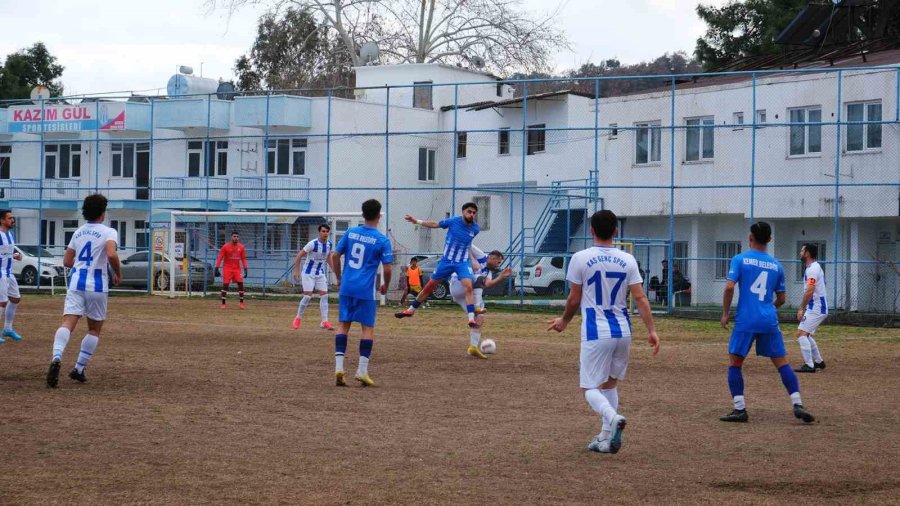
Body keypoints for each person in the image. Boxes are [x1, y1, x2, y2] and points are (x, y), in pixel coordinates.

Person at [548, 210, 661, 454]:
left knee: (589, 388)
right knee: (609, 385)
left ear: (591, 230)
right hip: (623, 331)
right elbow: (640, 298)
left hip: (596, 331)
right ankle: (605, 437)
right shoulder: (628, 259)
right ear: (615, 231)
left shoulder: (580, 258)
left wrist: (564, 321)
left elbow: (574, 298)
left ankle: (612, 417)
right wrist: (651, 330)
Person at [719, 221, 815, 424]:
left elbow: (729, 287)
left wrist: (725, 313)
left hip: (746, 319)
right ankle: (797, 403)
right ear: (770, 239)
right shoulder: (776, 265)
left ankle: (740, 409)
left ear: (750, 238)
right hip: (769, 319)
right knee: (782, 363)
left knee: (735, 363)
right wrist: (767, 309)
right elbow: (781, 299)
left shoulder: (739, 259)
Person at [46, 194, 121, 388]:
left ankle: (56, 357)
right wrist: (117, 272)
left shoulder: (78, 233)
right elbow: (111, 254)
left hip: (76, 283)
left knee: (67, 322)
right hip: (97, 286)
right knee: (94, 329)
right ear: (102, 212)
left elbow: (66, 261)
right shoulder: (109, 232)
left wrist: (81, 265)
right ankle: (78, 369)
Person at [329, 199, 393, 387]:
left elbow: (334, 255)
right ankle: (362, 371)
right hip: (365, 290)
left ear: (363, 214)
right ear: (379, 215)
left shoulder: (350, 232)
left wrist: (339, 277)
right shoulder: (382, 240)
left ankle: (339, 368)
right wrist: (386, 285)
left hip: (347, 286)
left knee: (343, 325)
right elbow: (387, 268)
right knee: (367, 328)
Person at [396, 202, 480, 327]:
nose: (471, 214)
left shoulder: (475, 229)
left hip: (462, 262)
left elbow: (468, 244)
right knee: (429, 286)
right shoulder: (453, 221)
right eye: (469, 211)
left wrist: (472, 259)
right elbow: (435, 224)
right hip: (446, 261)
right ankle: (410, 310)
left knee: (468, 287)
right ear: (463, 212)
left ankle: (471, 319)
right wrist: (417, 221)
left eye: (474, 213)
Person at [450, 246, 512, 359]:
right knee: (479, 277)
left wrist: (501, 276)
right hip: (457, 284)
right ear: (492, 258)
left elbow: (487, 284)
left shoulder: (488, 272)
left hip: (465, 293)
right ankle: (477, 307)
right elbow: (467, 244)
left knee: (480, 317)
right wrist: (472, 259)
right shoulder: (481, 256)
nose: (498, 265)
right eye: (498, 262)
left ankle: (473, 347)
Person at [292, 224, 334, 330]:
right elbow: (299, 256)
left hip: (320, 272)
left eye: (327, 231)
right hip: (308, 273)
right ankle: (298, 318)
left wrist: (335, 271)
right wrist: (296, 271)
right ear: (319, 232)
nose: (325, 233)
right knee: (307, 296)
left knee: (324, 295)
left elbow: (328, 257)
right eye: (323, 231)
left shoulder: (329, 244)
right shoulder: (312, 244)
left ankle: (324, 321)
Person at [794, 243, 827, 373]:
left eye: (802, 251)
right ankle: (819, 361)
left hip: (817, 308)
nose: (800, 253)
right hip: (816, 307)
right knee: (806, 334)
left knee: (801, 334)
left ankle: (809, 365)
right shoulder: (813, 267)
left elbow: (810, 290)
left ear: (807, 253)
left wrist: (801, 308)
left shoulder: (812, 269)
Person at [0, 210, 24, 343]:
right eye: (9, 218)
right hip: (0, 272)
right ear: (2, 220)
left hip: (9, 272)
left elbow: (6, 252)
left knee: (15, 298)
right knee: (2, 301)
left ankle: (7, 329)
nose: (12, 220)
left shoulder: (10, 234)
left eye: (12, 218)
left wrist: (15, 255)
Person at [215, 231, 248, 310]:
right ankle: (223, 303)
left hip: (237, 269)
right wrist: (216, 268)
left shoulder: (241, 247)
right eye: (234, 236)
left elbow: (243, 259)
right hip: (227, 268)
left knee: (241, 284)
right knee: (225, 285)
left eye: (237, 236)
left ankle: (241, 303)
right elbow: (220, 257)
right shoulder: (225, 246)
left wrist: (246, 269)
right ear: (231, 237)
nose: (236, 238)